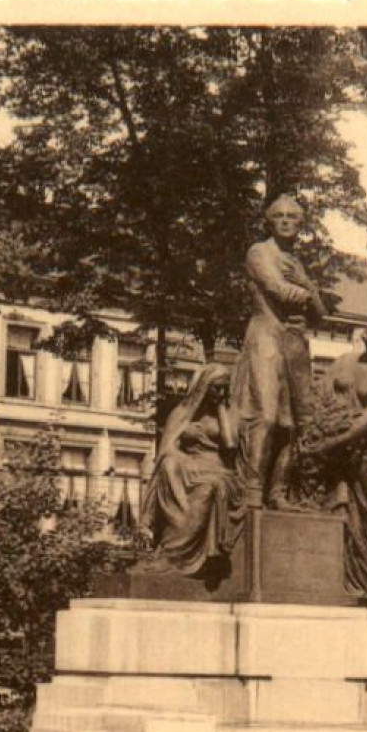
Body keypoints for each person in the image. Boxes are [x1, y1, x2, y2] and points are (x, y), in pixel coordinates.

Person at [231, 194, 326, 508]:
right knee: (267, 416)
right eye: (280, 216)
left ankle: (278, 491)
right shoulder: (259, 252)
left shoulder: (297, 264)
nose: (286, 221)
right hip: (265, 338)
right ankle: (252, 489)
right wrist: (307, 291)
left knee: (292, 424)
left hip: (294, 345)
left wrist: (305, 287)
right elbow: (277, 289)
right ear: (269, 221)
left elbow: (321, 313)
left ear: (300, 225)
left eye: (293, 217)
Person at [304, 314, 367, 598]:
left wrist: (331, 442)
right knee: (331, 507)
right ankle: (343, 576)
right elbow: (318, 396)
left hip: (365, 452)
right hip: (334, 447)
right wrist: (319, 431)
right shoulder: (344, 361)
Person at [140, 364, 248, 577]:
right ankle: (166, 546)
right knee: (168, 465)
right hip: (186, 467)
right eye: (217, 388)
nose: (222, 392)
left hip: (219, 471)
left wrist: (220, 409)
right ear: (204, 387)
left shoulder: (229, 413)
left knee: (209, 488)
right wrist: (182, 462)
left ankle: (175, 555)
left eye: (225, 388)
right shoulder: (182, 413)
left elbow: (230, 444)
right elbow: (167, 449)